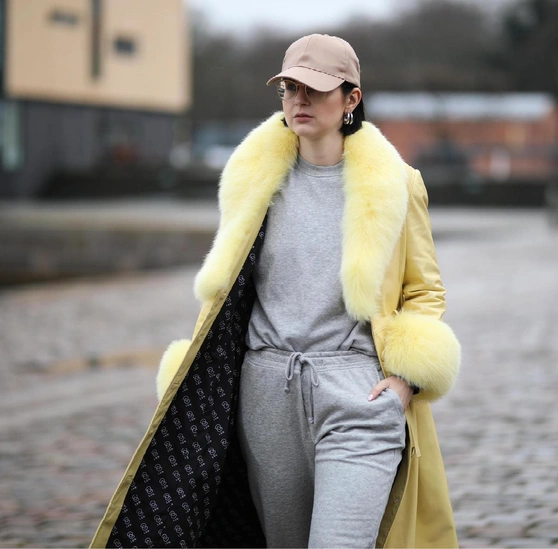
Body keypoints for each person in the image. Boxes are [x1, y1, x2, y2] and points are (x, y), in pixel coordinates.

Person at [91, 34, 461, 549]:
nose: (299, 100)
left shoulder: (396, 183)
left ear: (351, 98)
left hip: (357, 395)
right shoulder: (255, 178)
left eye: (315, 89)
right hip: (266, 397)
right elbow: (226, 291)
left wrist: (404, 382)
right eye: (289, 88)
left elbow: (425, 291)